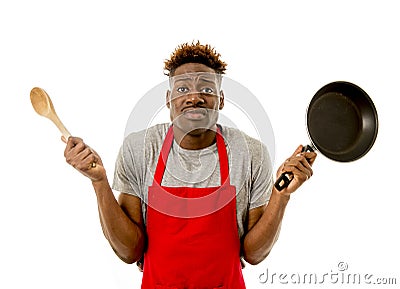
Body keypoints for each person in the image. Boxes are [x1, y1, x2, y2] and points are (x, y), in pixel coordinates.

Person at [63, 41, 317, 289]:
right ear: (168, 99)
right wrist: (99, 182)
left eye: (206, 89)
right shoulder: (140, 148)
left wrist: (280, 196)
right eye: (182, 89)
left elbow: (254, 254)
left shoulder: (250, 153)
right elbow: (130, 251)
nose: (194, 98)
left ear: (221, 99)